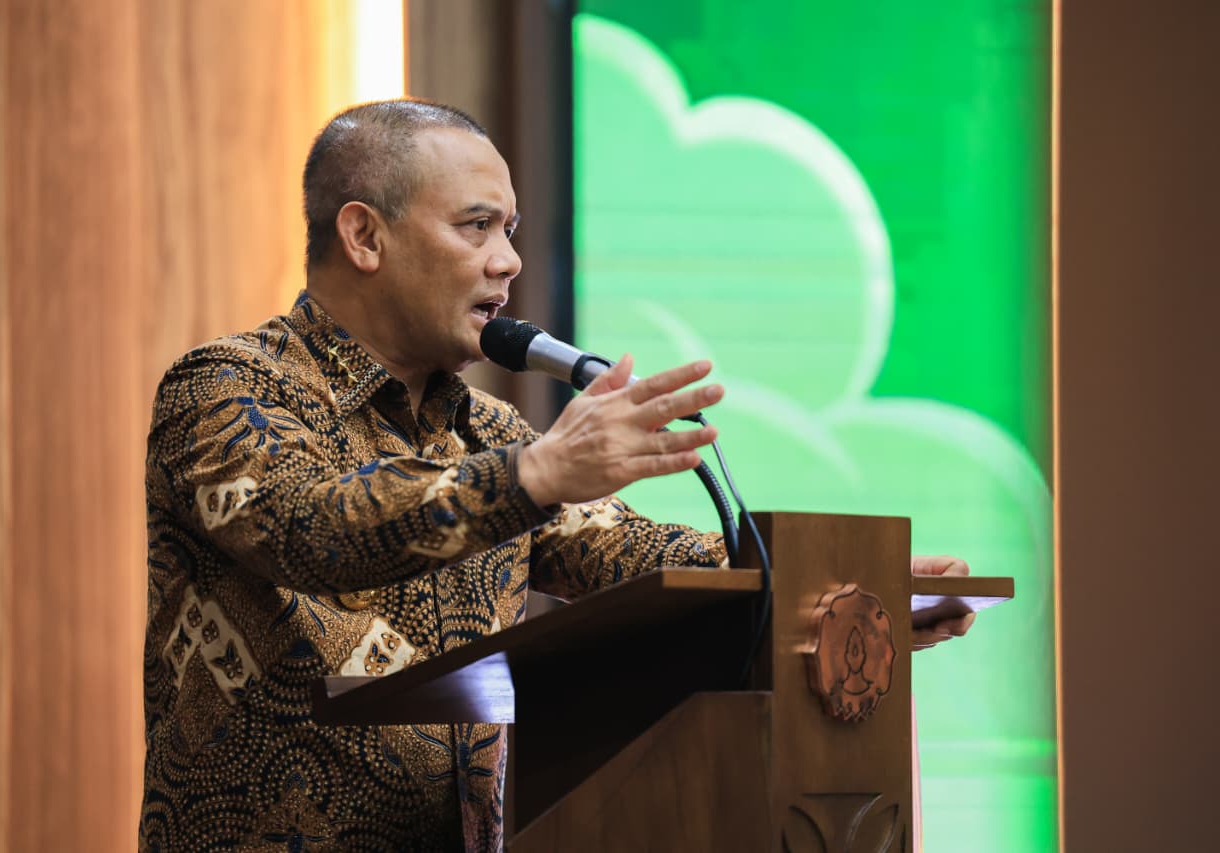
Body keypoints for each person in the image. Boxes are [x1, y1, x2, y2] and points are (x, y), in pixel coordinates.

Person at [139, 99, 972, 852]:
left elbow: (625, 552)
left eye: (510, 230)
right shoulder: (223, 388)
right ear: (365, 237)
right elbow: (313, 529)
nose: (508, 261)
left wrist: (832, 592)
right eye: (476, 227)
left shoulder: (488, 430)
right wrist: (534, 473)